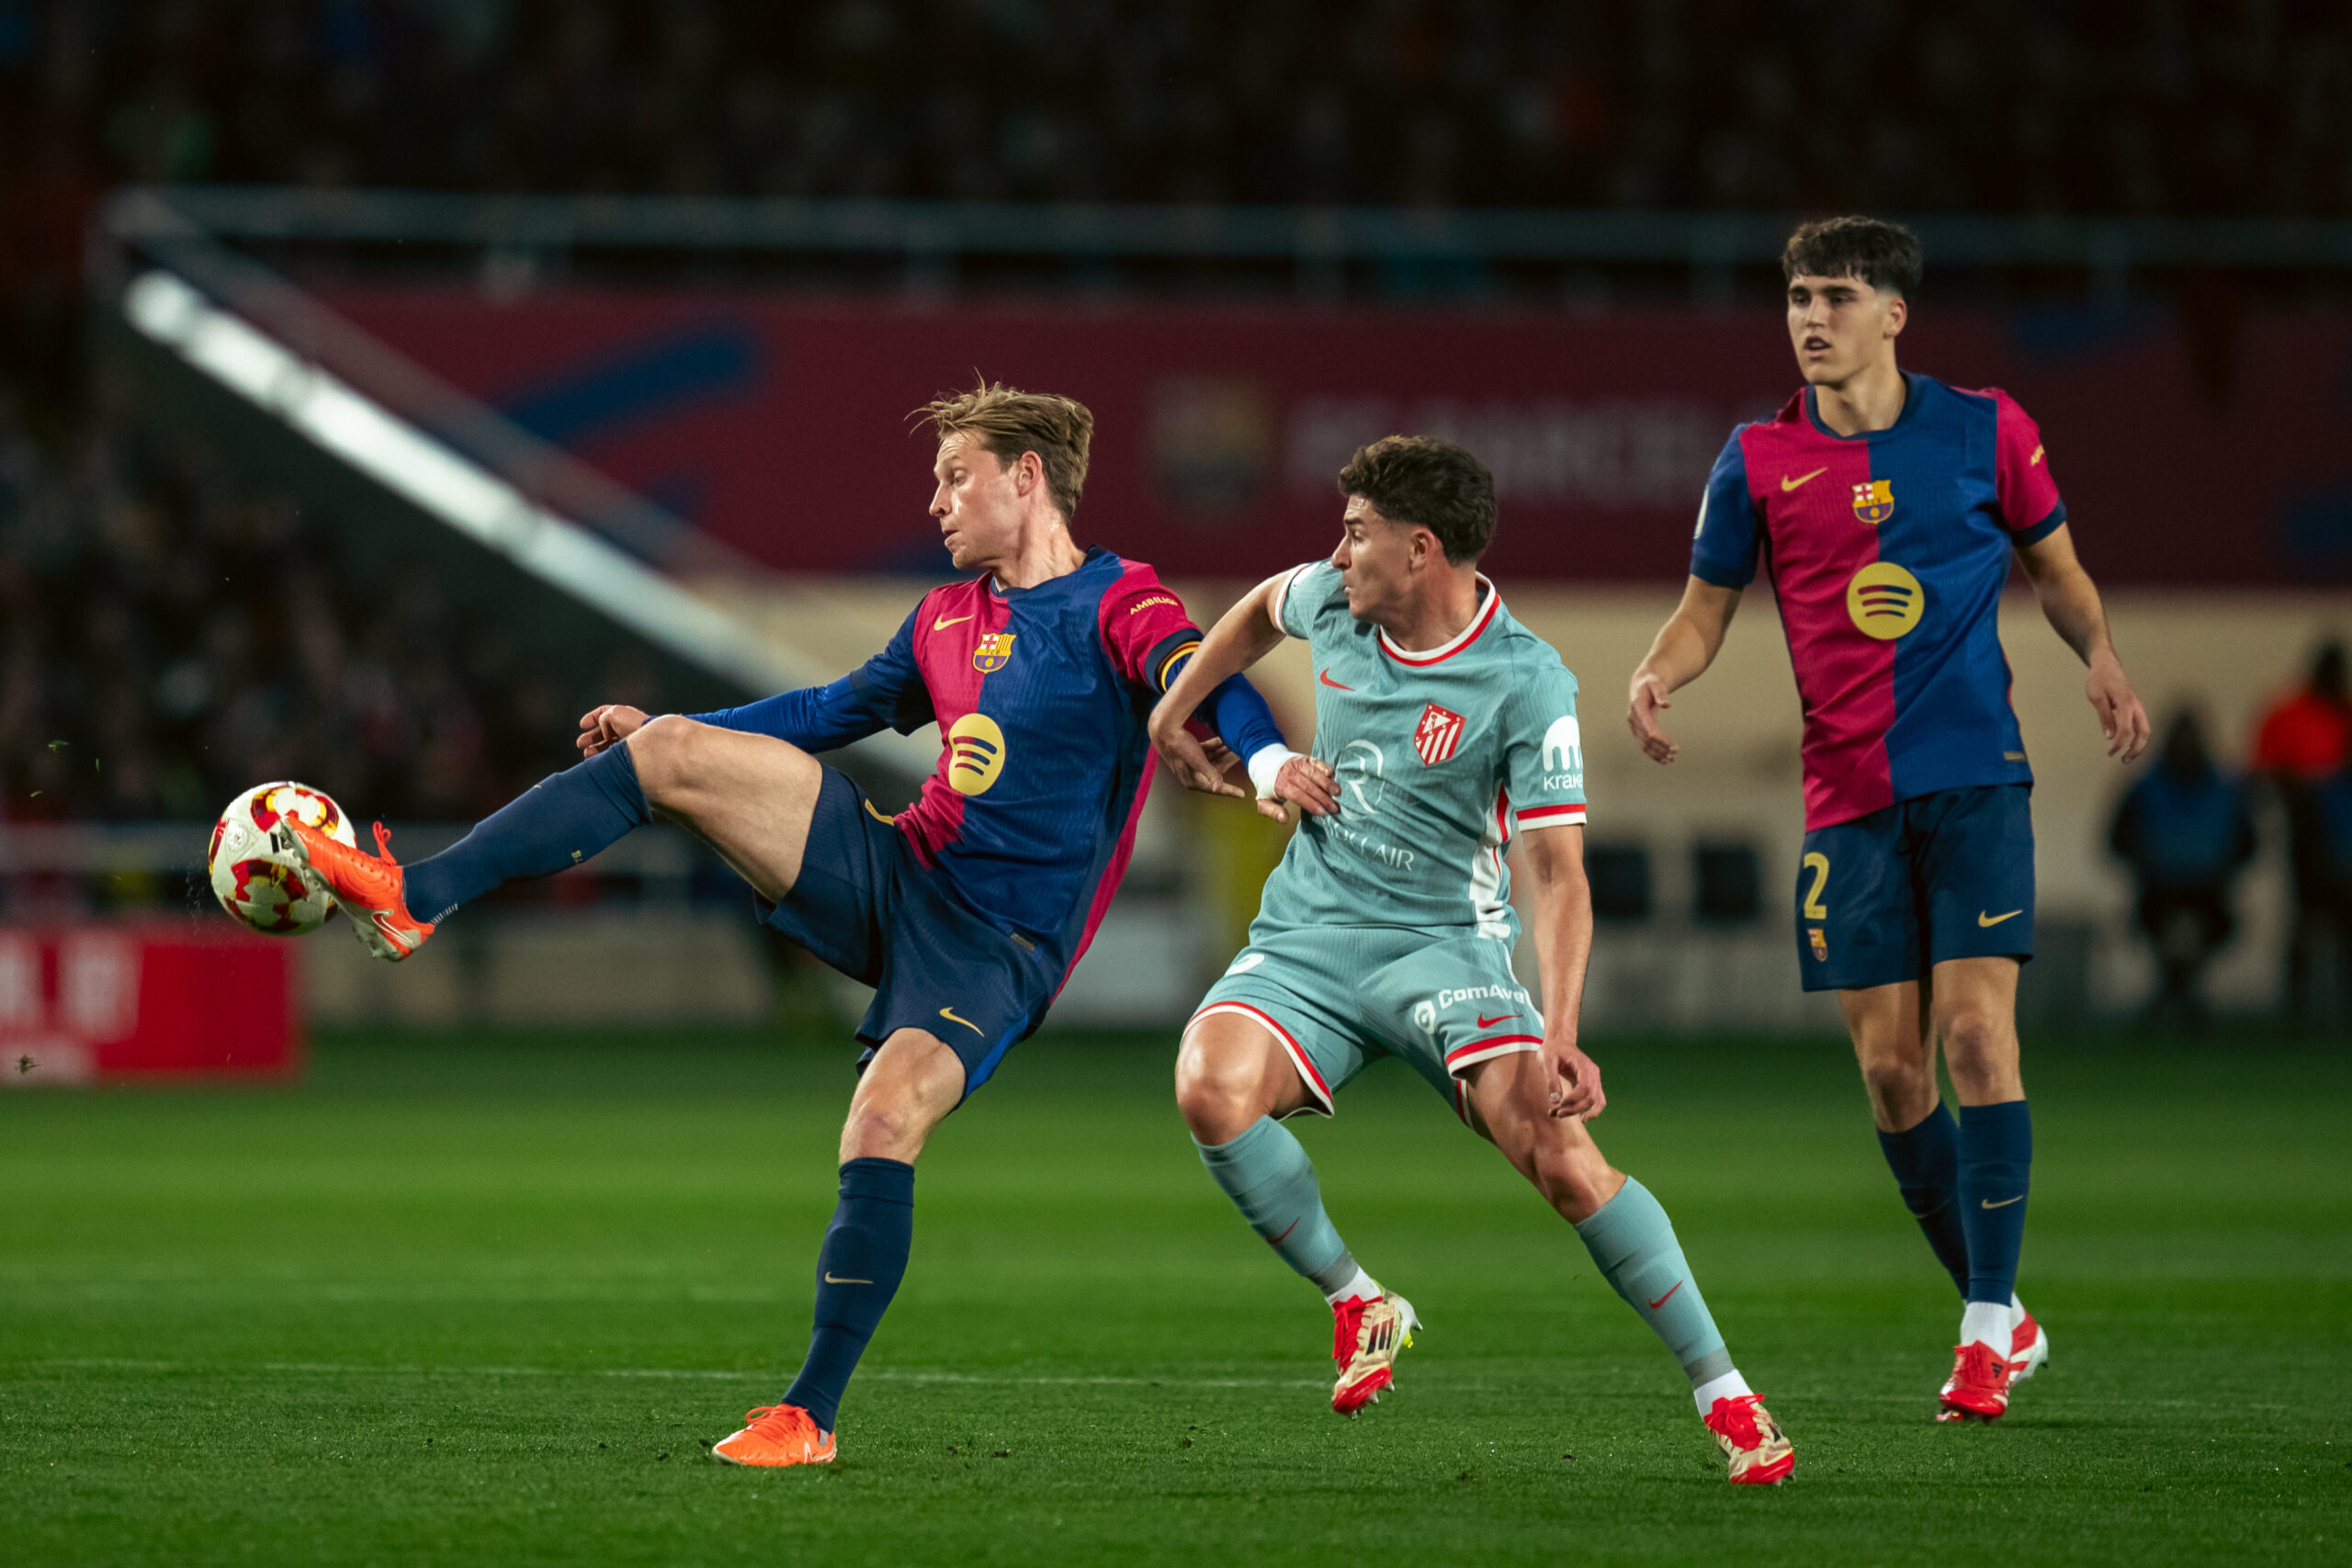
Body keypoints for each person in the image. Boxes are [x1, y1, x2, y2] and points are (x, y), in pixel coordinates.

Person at [276, 382, 1287, 1469]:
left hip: (998, 946)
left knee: (883, 1117)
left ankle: (806, 1416)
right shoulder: (946, 617)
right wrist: (672, 729)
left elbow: (1204, 669)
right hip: (898, 866)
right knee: (662, 758)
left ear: (1026, 478)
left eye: (956, 477)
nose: (939, 503)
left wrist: (1262, 755)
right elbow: (831, 711)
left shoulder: (1114, 602)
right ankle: (412, 896)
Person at [1150, 435, 1796, 1487]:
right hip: (1308, 938)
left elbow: (1556, 875)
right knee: (1209, 1090)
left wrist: (1562, 1032)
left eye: (1356, 534)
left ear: (1421, 549)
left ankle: (1725, 1394)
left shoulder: (1525, 680)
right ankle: (1358, 1298)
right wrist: (1175, 714)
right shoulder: (1332, 601)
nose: (1334, 552)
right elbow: (1257, 607)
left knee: (1561, 1162)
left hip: (1446, 950)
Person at [1626, 216, 2152, 1425]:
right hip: (1847, 801)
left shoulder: (1987, 428)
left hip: (1975, 778)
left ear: (1894, 314)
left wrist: (2104, 657)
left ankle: (1979, 1333)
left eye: (1837, 297)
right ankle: (1999, 1303)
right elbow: (1706, 606)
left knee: (1975, 1037)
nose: (1812, 318)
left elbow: (2057, 568)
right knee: (1892, 1070)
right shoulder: (1756, 457)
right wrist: (1662, 670)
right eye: (1799, 297)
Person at [2109, 711, 2256, 1029]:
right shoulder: (2146, 789)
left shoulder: (2226, 791)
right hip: (2159, 891)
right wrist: (2145, 862)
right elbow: (2116, 839)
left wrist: (2223, 868)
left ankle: (2175, 998)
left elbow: (2249, 844)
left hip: (2210, 893)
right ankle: (2183, 1001)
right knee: (2170, 936)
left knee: (2198, 935)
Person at [2249, 641, 2352, 1021]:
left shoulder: (2346, 713)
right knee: (2306, 922)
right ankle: (2298, 1007)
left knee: (2346, 928)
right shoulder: (2286, 714)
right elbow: (2261, 773)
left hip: (2344, 836)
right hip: (2307, 835)